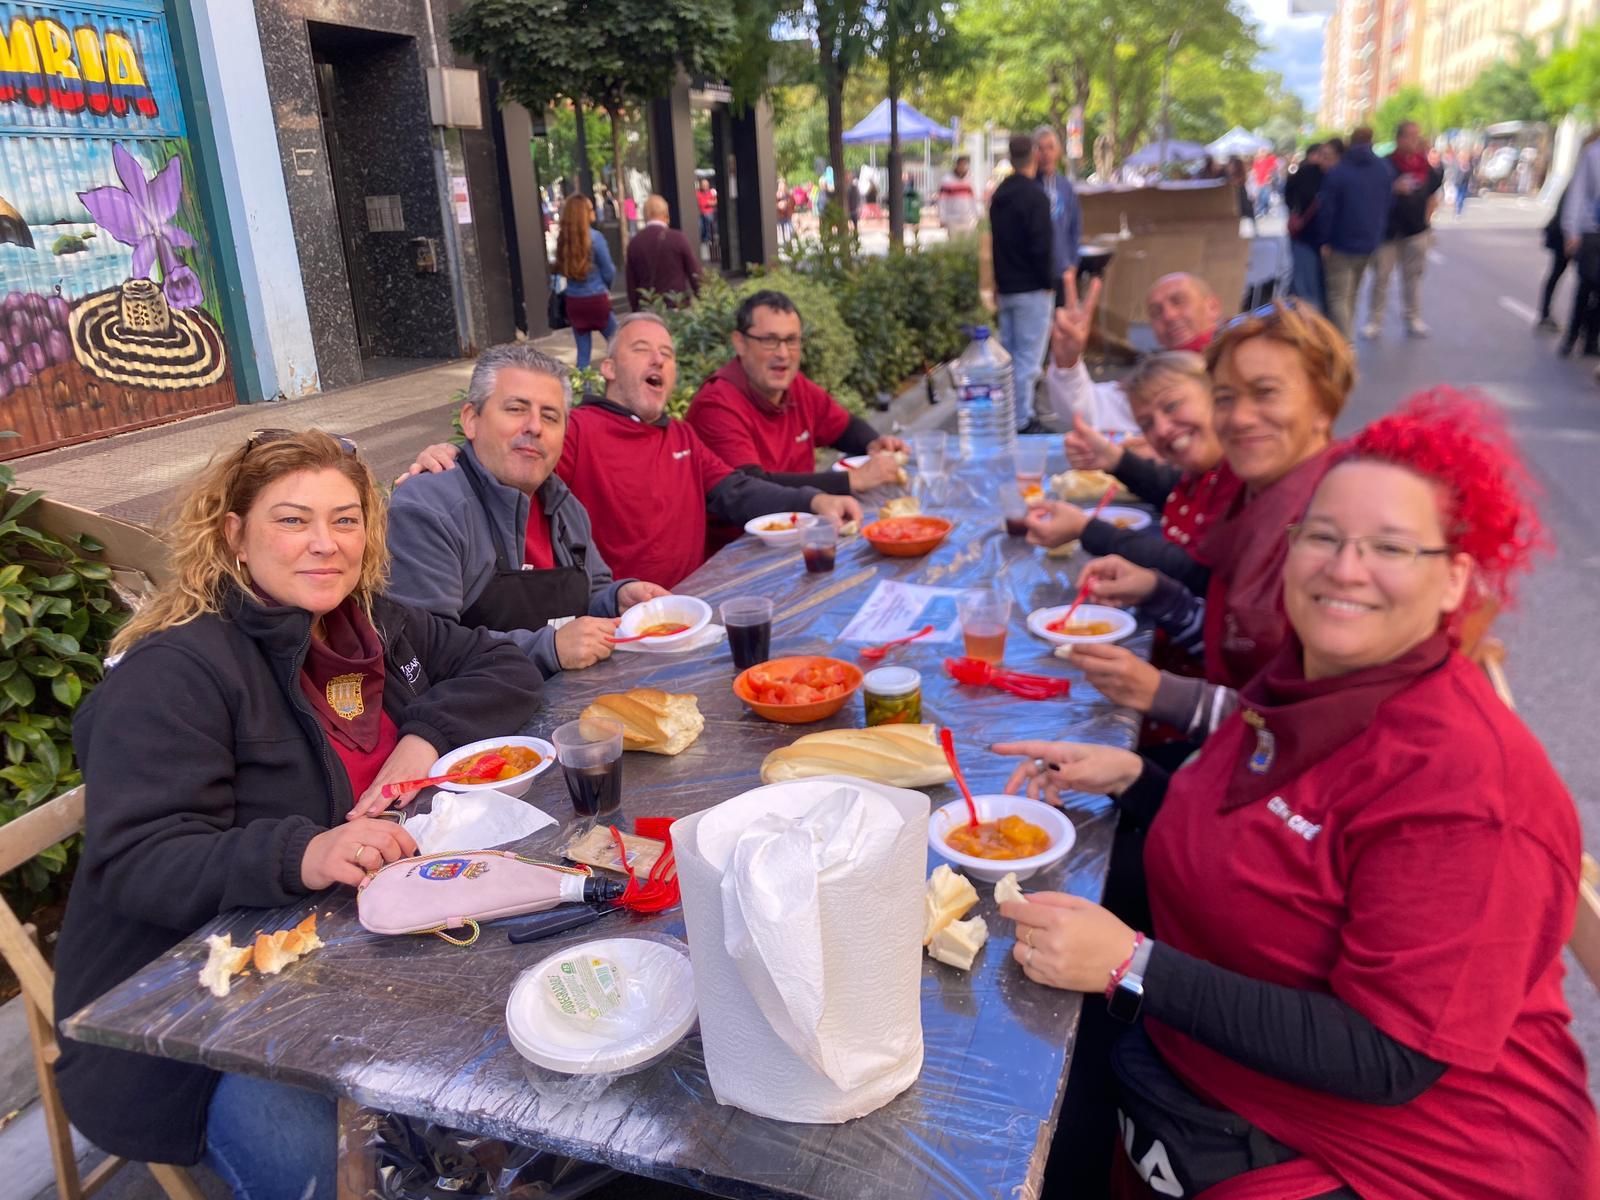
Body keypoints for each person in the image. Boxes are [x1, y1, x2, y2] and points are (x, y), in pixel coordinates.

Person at [992, 391, 1598, 1199]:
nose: (1345, 567)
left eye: (1390, 546)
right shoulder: (1308, 684)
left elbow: (1391, 1059)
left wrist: (1134, 966)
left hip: (1401, 1158)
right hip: (1213, 1079)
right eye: (1324, 536)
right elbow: (1269, 843)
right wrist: (1139, 779)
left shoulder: (1466, 787)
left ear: (1455, 579)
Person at [52, 430, 542, 1198]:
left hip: (349, 951)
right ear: (234, 536)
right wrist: (306, 854)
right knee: (325, 1170)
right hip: (191, 1022)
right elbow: (138, 861)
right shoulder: (176, 672)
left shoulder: (368, 622)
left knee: (523, 1038)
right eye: (293, 520)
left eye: (345, 520)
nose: (326, 545)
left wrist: (422, 739)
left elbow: (501, 664)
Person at [402, 314, 861, 589]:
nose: (658, 359)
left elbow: (738, 491)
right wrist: (454, 458)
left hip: (695, 610)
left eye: (667, 353)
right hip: (619, 619)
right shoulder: (576, 429)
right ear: (607, 368)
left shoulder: (680, 435)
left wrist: (814, 500)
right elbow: (512, 456)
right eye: (642, 349)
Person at [1067, 301, 1352, 740]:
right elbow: (1231, 648)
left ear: (1324, 403)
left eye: (1266, 392)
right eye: (1225, 398)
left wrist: (1165, 696)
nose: (1238, 417)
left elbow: (1315, 733)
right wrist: (1160, 594)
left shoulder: (1341, 530)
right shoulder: (1255, 501)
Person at [387, 344, 668, 678]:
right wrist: (548, 648)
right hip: (475, 723)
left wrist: (618, 598)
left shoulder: (564, 507)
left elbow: (592, 590)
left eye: (550, 416)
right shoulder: (429, 510)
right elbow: (422, 649)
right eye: (516, 409)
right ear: (471, 420)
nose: (534, 427)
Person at [1027, 351, 1239, 582]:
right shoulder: (1205, 475)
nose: (1161, 429)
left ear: (1217, 395)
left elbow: (1194, 569)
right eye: (1146, 424)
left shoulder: (1244, 479)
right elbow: (1172, 487)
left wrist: (1086, 529)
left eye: (1172, 406)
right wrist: (1115, 460)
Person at [687, 290, 909, 498]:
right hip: (742, 537)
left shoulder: (795, 386)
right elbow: (751, 488)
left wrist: (874, 444)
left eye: (791, 340)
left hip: (802, 526)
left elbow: (844, 428)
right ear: (740, 343)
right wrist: (851, 480)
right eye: (769, 341)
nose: (783, 354)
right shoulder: (716, 404)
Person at [1044, 270, 1223, 434]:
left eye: (1178, 301)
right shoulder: (1152, 382)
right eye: (1156, 312)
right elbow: (1090, 408)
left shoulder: (1239, 362)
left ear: (1212, 306)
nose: (1169, 315)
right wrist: (1067, 361)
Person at [990, 133, 1055, 436]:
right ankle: (1021, 419)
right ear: (1034, 157)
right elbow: (1041, 247)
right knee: (1028, 360)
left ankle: (1008, 417)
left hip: (1007, 287)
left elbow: (996, 244)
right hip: (1031, 289)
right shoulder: (1036, 197)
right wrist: (1049, 282)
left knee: (1009, 357)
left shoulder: (1000, 195)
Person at [1361, 122, 1443, 340]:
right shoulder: (1385, 165)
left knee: (1413, 278)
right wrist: (1393, 189)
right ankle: (1374, 322)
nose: (1414, 140)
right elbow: (1372, 195)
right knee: (1381, 278)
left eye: (1417, 136)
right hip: (1388, 232)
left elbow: (1433, 196)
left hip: (1416, 231)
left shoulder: (1425, 166)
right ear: (1399, 139)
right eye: (1409, 136)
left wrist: (1427, 224)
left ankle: (1412, 318)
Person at [1319, 126, 1395, 340]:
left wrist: (1324, 240)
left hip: (1340, 243)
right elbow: (1389, 203)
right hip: (1370, 242)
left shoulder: (1339, 171)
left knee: (1337, 296)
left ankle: (1345, 343)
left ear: (1350, 142)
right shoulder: (1383, 169)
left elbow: (1327, 210)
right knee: (1352, 293)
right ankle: (1345, 338)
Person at [554, 194, 616, 369]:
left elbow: (560, 268)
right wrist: (606, 288)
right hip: (596, 299)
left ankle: (585, 391)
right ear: (583, 214)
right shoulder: (595, 238)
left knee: (583, 355)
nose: (594, 211)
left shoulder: (564, 240)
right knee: (618, 345)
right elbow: (609, 271)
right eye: (590, 209)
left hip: (574, 302)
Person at [1285, 141, 1339, 310]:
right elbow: (1289, 193)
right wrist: (1295, 211)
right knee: (1307, 288)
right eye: (1322, 155)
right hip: (1305, 238)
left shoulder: (1340, 178)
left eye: (1329, 157)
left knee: (1326, 289)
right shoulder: (1306, 172)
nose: (1324, 160)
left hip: (1331, 243)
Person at [624, 194, 701, 312]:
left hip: (648, 309)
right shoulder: (678, 238)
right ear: (666, 215)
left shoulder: (635, 243)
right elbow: (695, 274)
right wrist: (704, 300)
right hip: (676, 307)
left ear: (646, 216)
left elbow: (631, 284)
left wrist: (636, 309)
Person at [937, 154, 979, 235]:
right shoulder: (946, 180)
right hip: (952, 219)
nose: (963, 167)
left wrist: (976, 215)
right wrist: (942, 218)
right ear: (957, 165)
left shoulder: (970, 179)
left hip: (968, 219)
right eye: (962, 165)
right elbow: (942, 201)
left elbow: (973, 200)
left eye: (965, 165)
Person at [696, 177, 716, 248]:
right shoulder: (698, 193)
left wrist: (708, 202)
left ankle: (708, 239)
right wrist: (709, 202)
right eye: (703, 185)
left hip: (709, 213)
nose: (705, 186)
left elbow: (715, 202)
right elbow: (701, 203)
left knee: (708, 218)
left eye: (706, 185)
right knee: (701, 225)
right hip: (701, 213)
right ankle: (704, 239)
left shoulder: (711, 192)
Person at [776, 179, 796, 244]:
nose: (783, 187)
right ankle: (785, 243)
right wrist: (778, 205)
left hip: (788, 215)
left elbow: (793, 203)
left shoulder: (789, 195)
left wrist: (787, 204)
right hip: (780, 216)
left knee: (791, 229)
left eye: (784, 186)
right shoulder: (777, 195)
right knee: (781, 230)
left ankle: (790, 242)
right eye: (781, 186)